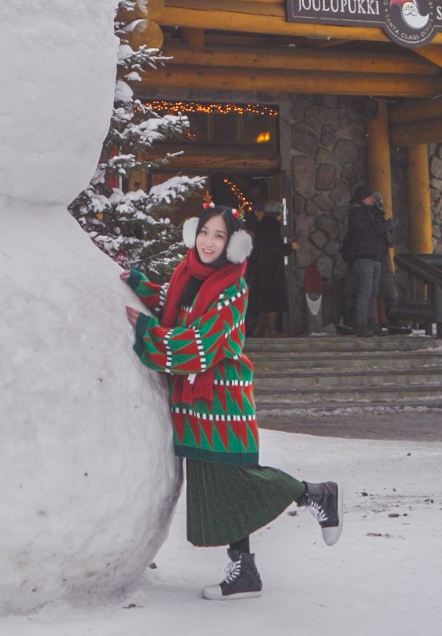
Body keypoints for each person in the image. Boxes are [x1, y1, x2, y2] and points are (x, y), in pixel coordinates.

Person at [124, 206, 343, 600]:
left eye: (219, 236)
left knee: (237, 478)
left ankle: (315, 493)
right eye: (204, 232)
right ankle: (245, 572)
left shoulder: (233, 287)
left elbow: (201, 345)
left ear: (234, 245)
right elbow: (175, 303)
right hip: (193, 401)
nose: (208, 242)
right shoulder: (187, 272)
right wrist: (139, 286)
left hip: (221, 398)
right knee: (217, 485)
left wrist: (147, 333)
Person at [341, 186, 390, 334]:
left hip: (374, 256)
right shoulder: (356, 213)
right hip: (364, 257)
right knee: (365, 290)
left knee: (373, 292)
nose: (372, 199)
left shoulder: (371, 213)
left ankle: (372, 322)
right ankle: (362, 323)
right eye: (369, 197)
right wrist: (384, 227)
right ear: (363, 198)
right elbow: (364, 233)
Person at [246, 208, 288, 336]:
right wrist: (290, 247)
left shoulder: (259, 231)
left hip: (260, 273)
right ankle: (270, 328)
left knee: (262, 302)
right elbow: (276, 250)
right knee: (273, 301)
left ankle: (259, 328)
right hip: (273, 273)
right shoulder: (273, 228)